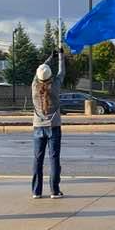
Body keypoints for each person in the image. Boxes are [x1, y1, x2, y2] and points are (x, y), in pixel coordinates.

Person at [32, 48, 66, 199]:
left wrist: (49, 58)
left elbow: (40, 71)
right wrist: (60, 56)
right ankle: (54, 190)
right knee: (54, 159)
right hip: (54, 127)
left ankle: (36, 191)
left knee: (38, 159)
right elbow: (62, 71)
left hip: (38, 127)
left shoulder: (34, 87)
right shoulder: (56, 86)